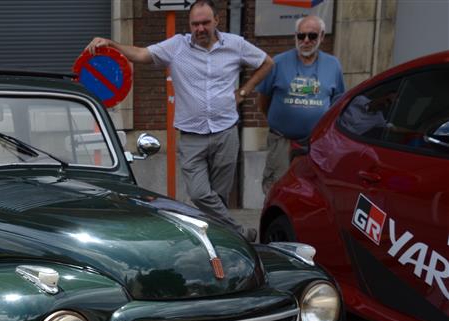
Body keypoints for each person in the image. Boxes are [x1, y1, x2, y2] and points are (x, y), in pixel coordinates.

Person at [85, 0, 273, 241]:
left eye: (205, 23)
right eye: (195, 24)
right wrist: (112, 44)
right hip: (192, 137)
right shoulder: (176, 46)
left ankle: (220, 244)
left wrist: (244, 92)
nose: (200, 28)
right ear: (190, 24)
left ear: (217, 20)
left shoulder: (235, 45)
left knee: (219, 197)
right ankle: (240, 233)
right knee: (199, 193)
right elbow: (142, 54)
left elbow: (267, 62)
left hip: (225, 131)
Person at [257, 15, 345, 194]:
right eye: (301, 35)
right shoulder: (278, 62)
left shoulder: (333, 65)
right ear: (295, 36)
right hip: (281, 142)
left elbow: (338, 103)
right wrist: (278, 121)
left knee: (311, 191)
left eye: (312, 36)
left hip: (316, 145)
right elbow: (263, 99)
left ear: (321, 36)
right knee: (277, 189)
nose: (306, 40)